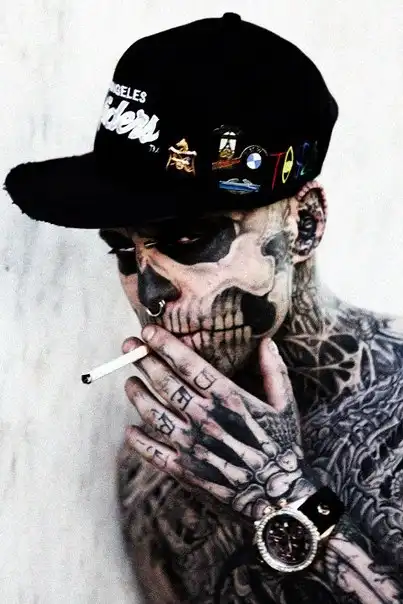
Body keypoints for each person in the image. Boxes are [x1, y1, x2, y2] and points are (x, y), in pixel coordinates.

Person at [5, 12, 403, 604]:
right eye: (123, 250)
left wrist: (285, 499)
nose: (149, 293)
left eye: (190, 238)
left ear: (305, 222)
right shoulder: (158, 469)